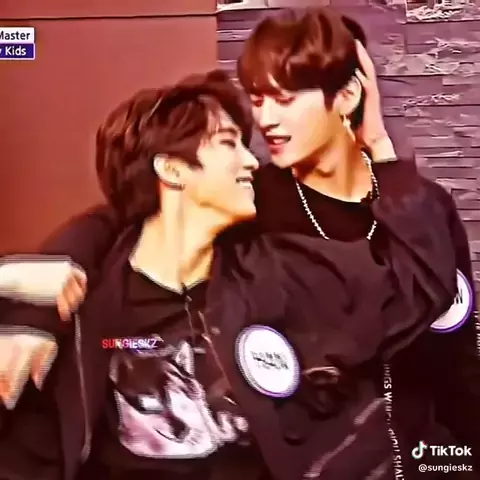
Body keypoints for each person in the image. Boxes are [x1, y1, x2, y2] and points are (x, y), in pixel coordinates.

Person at [0, 7, 474, 480]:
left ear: (347, 96)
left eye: (283, 99)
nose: (263, 125)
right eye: (257, 101)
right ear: (174, 169)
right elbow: (122, 215)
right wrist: (38, 298)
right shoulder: (253, 201)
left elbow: (429, 304)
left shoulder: (404, 211)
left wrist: (383, 149)